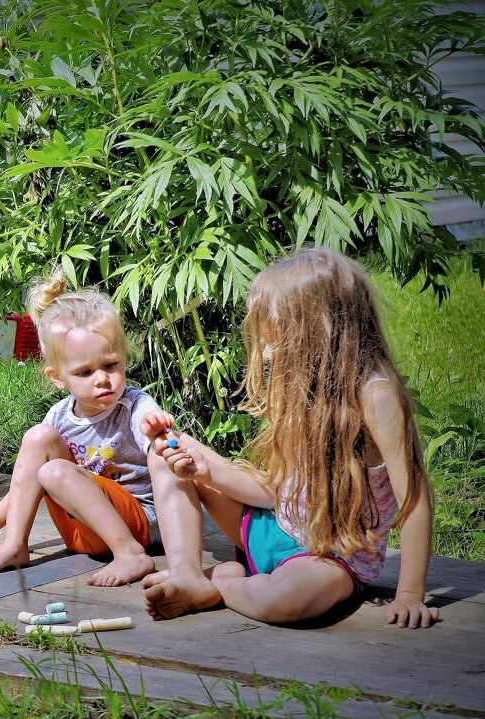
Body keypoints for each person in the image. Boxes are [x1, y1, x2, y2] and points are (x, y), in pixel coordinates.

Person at [143, 248, 439, 629]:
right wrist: (203, 471)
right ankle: (187, 573)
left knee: (288, 601)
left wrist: (410, 594)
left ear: (317, 332)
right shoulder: (305, 392)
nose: (264, 355)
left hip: (329, 560)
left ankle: (221, 584)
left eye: (273, 339)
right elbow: (279, 493)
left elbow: (414, 501)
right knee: (166, 449)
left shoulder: (376, 398)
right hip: (272, 526)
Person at [0, 273, 181, 587]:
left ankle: (130, 554)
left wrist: (158, 433)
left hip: (138, 524)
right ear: (57, 377)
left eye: (111, 365)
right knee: (38, 438)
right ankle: (14, 546)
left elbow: (155, 435)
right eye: (85, 372)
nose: (102, 379)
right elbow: (24, 487)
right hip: (83, 529)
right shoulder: (60, 416)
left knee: (53, 472)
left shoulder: (134, 405)